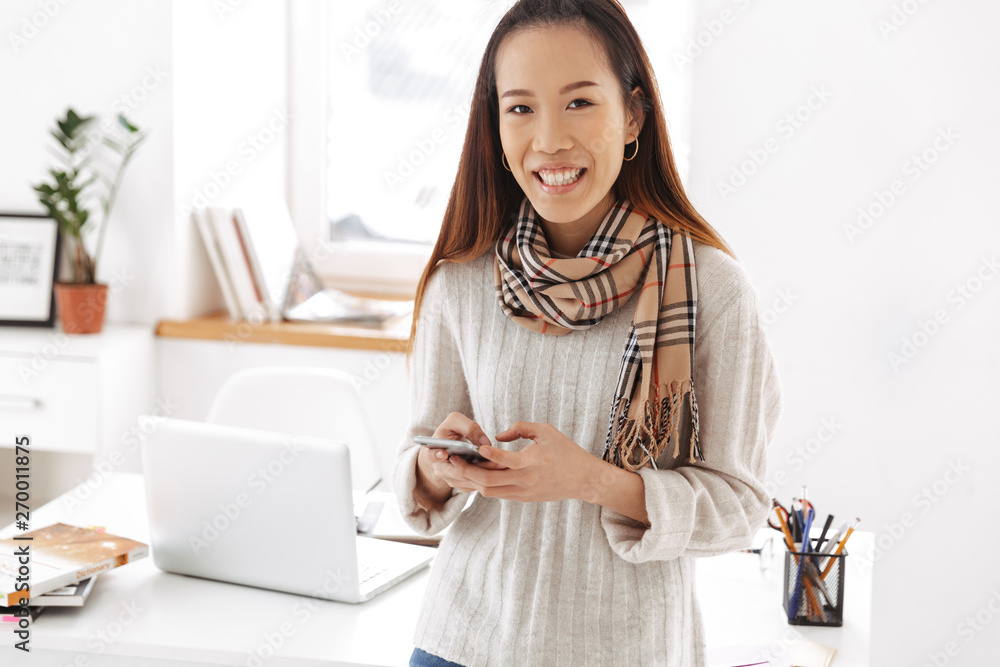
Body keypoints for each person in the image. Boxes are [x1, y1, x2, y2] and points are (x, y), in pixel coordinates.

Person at [393, 1, 782, 665]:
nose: (548, 139)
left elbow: (739, 505)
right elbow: (418, 460)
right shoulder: (460, 280)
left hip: (624, 649)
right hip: (460, 639)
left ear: (632, 114)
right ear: (494, 124)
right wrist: (433, 468)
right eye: (520, 108)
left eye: (578, 103)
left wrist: (592, 480)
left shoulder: (711, 288)